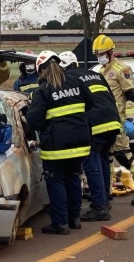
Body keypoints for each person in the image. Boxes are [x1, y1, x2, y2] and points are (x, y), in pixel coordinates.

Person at [26, 50, 93, 235]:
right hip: (80, 142)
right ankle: (74, 219)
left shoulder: (43, 88)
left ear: (41, 70)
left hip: (57, 146)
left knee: (56, 182)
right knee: (72, 178)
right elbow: (90, 103)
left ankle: (60, 224)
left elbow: (34, 120)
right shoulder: (76, 82)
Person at [59, 51, 121, 221]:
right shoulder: (94, 74)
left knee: (91, 163)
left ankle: (99, 208)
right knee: (102, 160)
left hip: (95, 124)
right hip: (113, 121)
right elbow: (110, 96)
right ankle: (104, 199)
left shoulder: (68, 79)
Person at [92, 34, 134, 192]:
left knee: (124, 156)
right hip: (105, 121)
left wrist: (130, 119)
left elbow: (130, 94)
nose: (99, 57)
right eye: (97, 54)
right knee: (107, 157)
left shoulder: (122, 69)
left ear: (110, 52)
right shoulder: (100, 72)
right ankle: (106, 192)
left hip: (120, 120)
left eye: (101, 54)